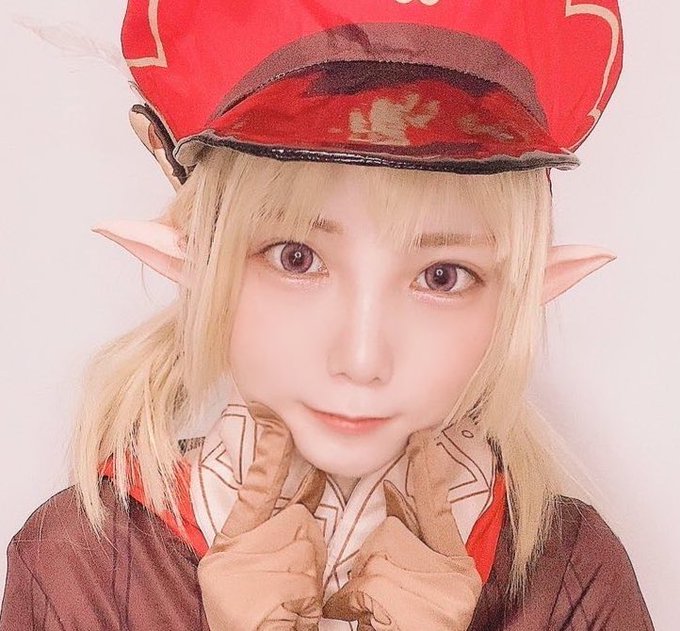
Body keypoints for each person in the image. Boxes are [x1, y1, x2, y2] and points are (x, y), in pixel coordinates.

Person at [0, 1, 655, 629]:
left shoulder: (572, 572)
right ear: (199, 259)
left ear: (519, 296)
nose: (361, 359)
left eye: (442, 276)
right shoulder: (84, 562)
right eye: (296, 258)